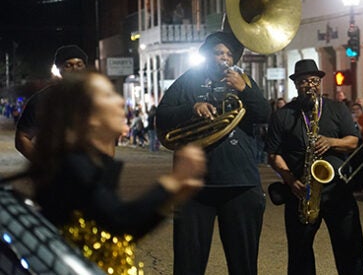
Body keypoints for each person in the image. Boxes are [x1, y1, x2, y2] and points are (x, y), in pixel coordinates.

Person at [28, 72, 205, 273]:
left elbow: (123, 234)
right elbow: (120, 222)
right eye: (108, 95)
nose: (121, 101)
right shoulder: (72, 166)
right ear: (85, 117)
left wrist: (172, 197)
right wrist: (173, 181)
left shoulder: (87, 163)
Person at [156, 31, 270, 275]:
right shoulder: (188, 80)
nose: (225, 58)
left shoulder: (244, 80)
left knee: (244, 264)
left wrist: (246, 90)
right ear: (208, 55)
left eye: (229, 54)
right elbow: (162, 116)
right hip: (195, 185)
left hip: (241, 182)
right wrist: (192, 107)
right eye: (219, 52)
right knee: (188, 264)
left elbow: (265, 115)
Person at [266, 59, 363, 275]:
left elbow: (353, 141)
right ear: (296, 84)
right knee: (299, 254)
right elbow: (274, 155)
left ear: (320, 82)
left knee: (350, 250)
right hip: (301, 191)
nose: (309, 85)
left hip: (337, 190)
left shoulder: (337, 108)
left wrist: (331, 142)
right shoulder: (283, 115)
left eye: (314, 80)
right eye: (303, 81)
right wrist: (290, 180)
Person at [15, 45, 90, 160]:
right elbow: (22, 138)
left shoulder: (97, 98)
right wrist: (42, 165)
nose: (75, 69)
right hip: (58, 171)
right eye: (68, 65)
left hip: (91, 172)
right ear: (59, 69)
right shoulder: (42, 99)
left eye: (79, 65)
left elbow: (108, 139)